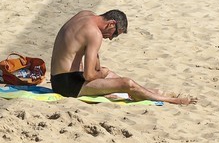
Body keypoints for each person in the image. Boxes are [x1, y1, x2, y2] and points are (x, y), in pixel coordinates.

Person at [48, 8, 194, 104]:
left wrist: (101, 71)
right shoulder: (95, 33)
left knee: (109, 74)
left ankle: (146, 92)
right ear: (111, 24)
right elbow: (89, 75)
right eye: (115, 34)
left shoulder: (84, 15)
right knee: (126, 83)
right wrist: (101, 73)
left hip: (59, 78)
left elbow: (91, 59)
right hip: (67, 86)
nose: (111, 38)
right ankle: (168, 100)